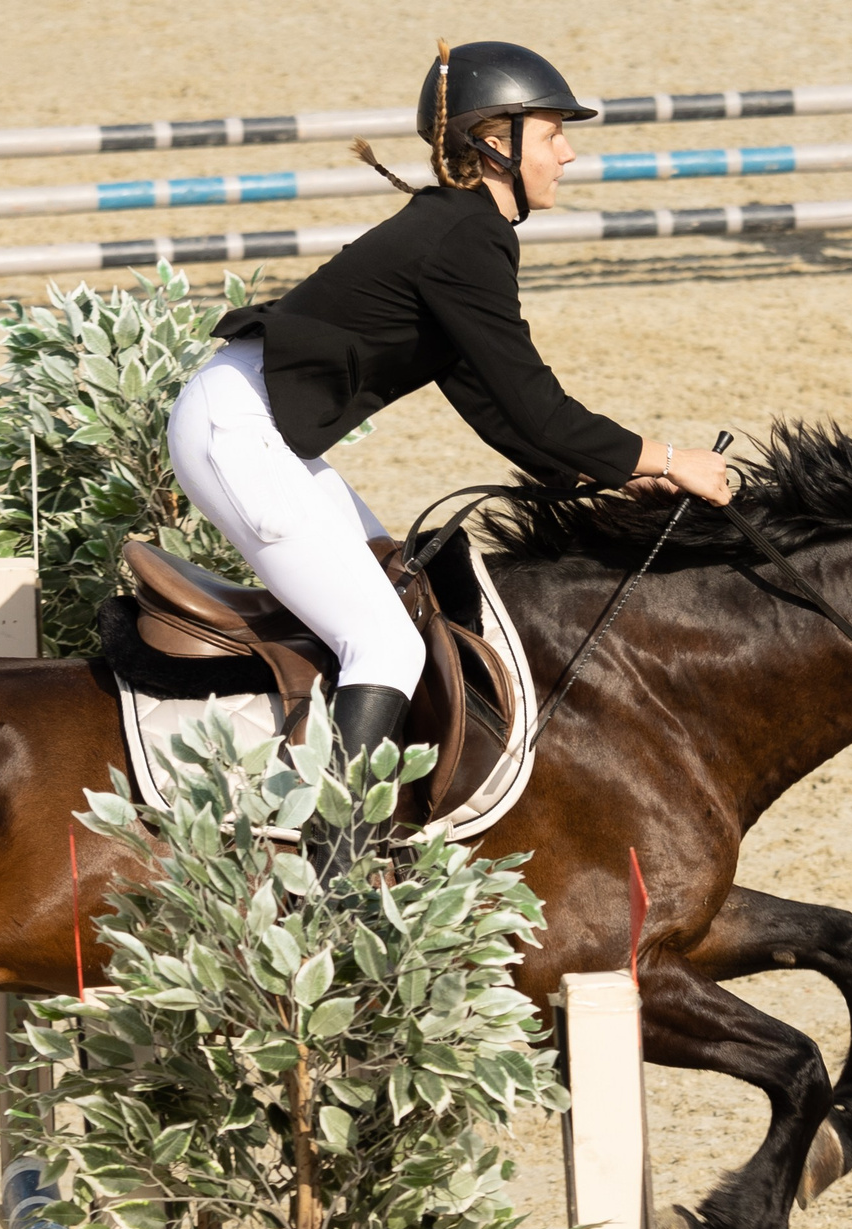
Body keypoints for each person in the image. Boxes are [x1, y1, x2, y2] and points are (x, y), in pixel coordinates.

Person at [166, 39, 732, 857]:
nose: (568, 153)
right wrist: (669, 457)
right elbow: (537, 407)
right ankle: (322, 873)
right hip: (238, 431)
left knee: (399, 601)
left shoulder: (460, 230)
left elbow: (503, 414)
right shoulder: (465, 238)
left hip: (259, 428)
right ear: (494, 142)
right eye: (553, 135)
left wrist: (615, 476)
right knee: (385, 642)